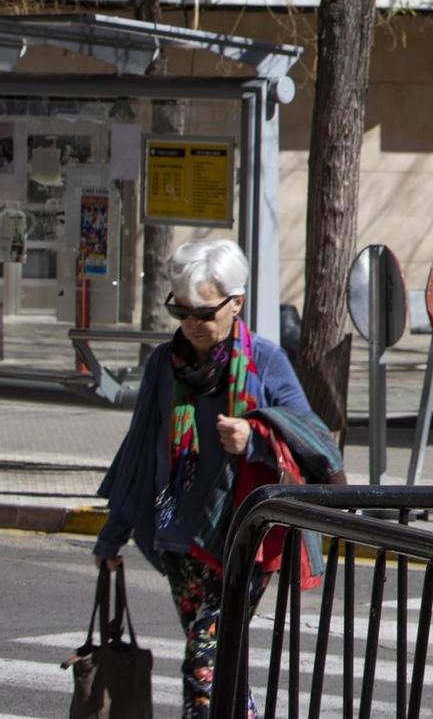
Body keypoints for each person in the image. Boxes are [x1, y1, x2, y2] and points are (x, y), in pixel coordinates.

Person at [95, 238, 336, 718]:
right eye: (181, 311)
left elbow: (319, 442)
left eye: (204, 312)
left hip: (243, 539)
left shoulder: (266, 361)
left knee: (203, 663)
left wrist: (257, 439)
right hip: (179, 541)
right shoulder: (165, 364)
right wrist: (112, 535)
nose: (191, 324)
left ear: (237, 302)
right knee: (220, 661)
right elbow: (139, 448)